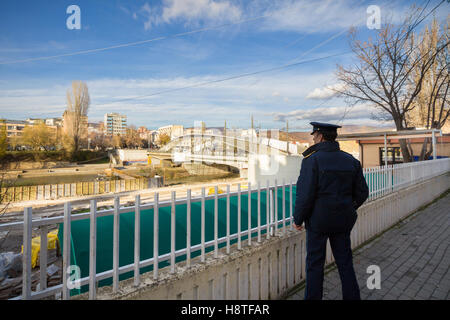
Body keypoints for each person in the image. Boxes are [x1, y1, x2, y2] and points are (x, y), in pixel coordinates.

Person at [293, 122, 369, 300]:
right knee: (344, 262)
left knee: (315, 264)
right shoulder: (351, 160)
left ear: (320, 136)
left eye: (314, 135)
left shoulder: (312, 160)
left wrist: (298, 219)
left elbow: (305, 194)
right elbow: (362, 193)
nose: (313, 138)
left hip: (318, 222)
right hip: (343, 220)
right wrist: (349, 208)